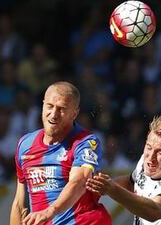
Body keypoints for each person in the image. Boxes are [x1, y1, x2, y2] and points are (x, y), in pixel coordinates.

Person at [10, 81, 111, 225]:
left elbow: (79, 182)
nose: (54, 114)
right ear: (43, 105)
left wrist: (50, 211)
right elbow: (20, 203)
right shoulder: (25, 144)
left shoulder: (86, 142)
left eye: (62, 109)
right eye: (49, 106)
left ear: (74, 113)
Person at [86, 115, 161, 225]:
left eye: (160, 152)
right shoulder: (146, 161)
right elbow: (131, 182)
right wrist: (99, 186)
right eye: (149, 147)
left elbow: (154, 211)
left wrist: (112, 189)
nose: (150, 157)